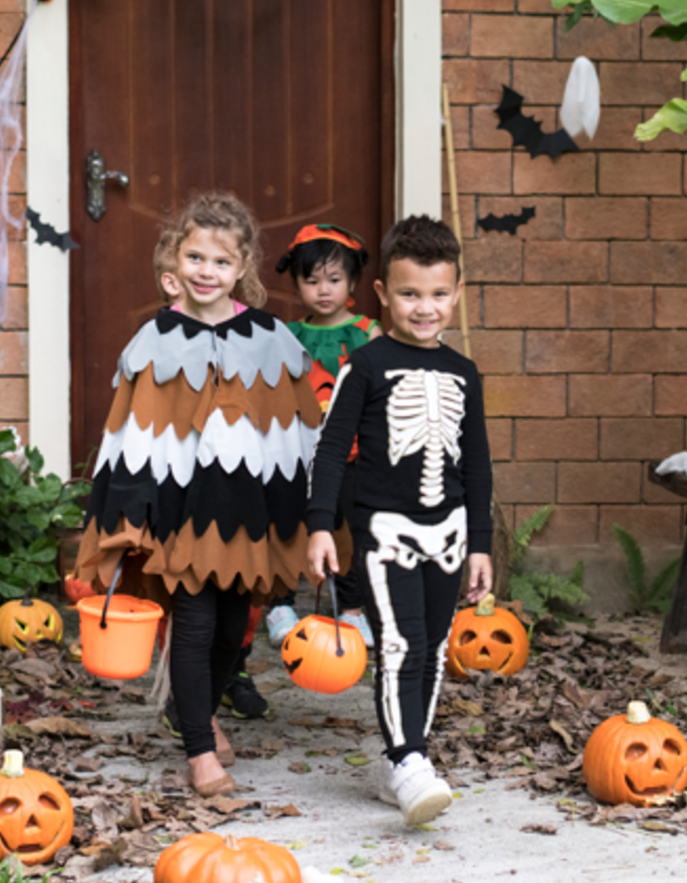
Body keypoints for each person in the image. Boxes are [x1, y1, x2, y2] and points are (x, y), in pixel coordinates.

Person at [72, 191, 325, 797]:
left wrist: (309, 516)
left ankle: (200, 713)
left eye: (219, 261)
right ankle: (198, 753)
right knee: (193, 622)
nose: (205, 271)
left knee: (232, 626)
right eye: (194, 257)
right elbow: (127, 433)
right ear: (173, 260)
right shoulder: (154, 340)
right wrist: (126, 516)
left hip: (243, 513)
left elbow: (295, 435)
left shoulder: (269, 339)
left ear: (241, 269)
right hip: (179, 512)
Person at [304, 215, 493, 826]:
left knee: (434, 647)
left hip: (451, 530)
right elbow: (332, 449)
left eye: (439, 294)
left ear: (457, 293)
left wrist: (481, 545)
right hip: (384, 530)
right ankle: (410, 757)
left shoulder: (465, 372)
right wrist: (319, 527)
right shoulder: (367, 365)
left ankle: (402, 761)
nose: (425, 308)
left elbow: (479, 465)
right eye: (410, 294)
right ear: (383, 294)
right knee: (398, 643)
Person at [262, 223, 380, 653]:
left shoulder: (369, 333)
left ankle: (350, 609)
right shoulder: (289, 336)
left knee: (350, 529)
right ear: (296, 283)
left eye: (334, 280)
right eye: (312, 281)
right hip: (298, 453)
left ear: (352, 282)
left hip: (351, 455)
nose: (323, 290)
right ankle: (280, 605)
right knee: (288, 525)